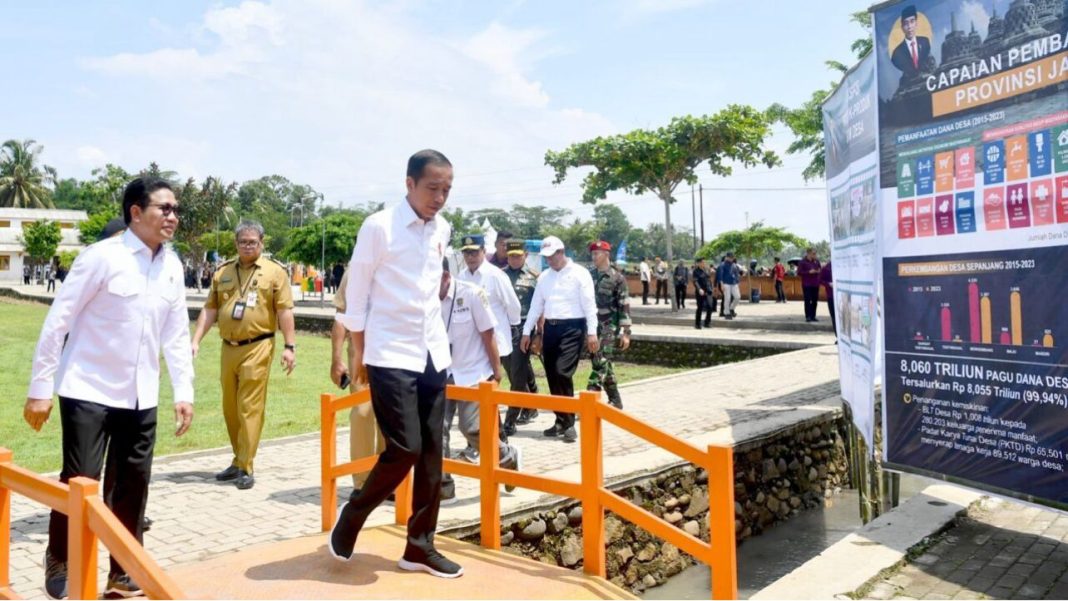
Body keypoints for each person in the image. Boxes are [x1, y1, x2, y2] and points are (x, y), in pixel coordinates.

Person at [25, 177, 195, 599]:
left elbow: (175, 334)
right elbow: (58, 322)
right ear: (136, 212)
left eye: (176, 209)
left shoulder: (172, 265)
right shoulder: (101, 257)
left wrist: (184, 392)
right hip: (88, 387)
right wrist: (40, 387)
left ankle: (123, 570)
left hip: (142, 392)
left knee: (133, 483)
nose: (172, 216)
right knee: (80, 479)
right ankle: (61, 555)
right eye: (164, 208)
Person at [330, 149, 461, 578]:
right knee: (405, 447)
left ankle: (420, 546)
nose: (439, 197)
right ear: (409, 183)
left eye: (446, 189)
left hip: (432, 351)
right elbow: (359, 295)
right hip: (389, 352)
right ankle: (354, 513)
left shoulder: (442, 228)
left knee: (432, 456)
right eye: (432, 188)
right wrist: (359, 352)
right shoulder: (379, 227)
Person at [190, 220, 297, 490]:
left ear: (262, 243)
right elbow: (210, 309)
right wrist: (195, 340)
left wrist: (289, 346)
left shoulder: (274, 273)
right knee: (230, 406)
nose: (247, 246)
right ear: (236, 244)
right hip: (228, 347)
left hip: (258, 346)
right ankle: (238, 460)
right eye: (243, 241)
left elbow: (284, 311)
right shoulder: (223, 272)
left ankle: (247, 466)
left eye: (253, 241)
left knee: (249, 406)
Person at [438, 259, 522, 502]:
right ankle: (443, 486)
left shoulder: (472, 294)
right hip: (443, 372)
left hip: (474, 372)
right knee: (436, 429)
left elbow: (489, 334)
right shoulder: (425, 299)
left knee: (471, 427)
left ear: (445, 277)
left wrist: (496, 371)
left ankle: (506, 456)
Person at [520, 236, 598, 444]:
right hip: (550, 328)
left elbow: (590, 305)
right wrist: (527, 332)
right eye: (546, 257)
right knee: (552, 374)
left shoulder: (580, 274)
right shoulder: (544, 277)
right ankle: (560, 419)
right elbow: (536, 306)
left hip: (573, 327)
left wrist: (592, 332)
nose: (550, 261)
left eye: (553, 256)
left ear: (561, 252)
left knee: (563, 371)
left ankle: (569, 422)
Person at [454, 233, 520, 462]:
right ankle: (493, 446)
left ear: (484, 251)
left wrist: (510, 332)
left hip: (494, 344)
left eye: (474, 251)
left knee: (484, 397)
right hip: (471, 347)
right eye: (466, 252)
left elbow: (513, 307)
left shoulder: (495, 276)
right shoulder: (460, 278)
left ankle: (493, 446)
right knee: (478, 399)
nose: (470, 256)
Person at [330, 267, 385, 493]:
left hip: (394, 352)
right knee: (362, 412)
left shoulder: (402, 264)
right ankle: (362, 481)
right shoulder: (355, 271)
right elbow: (341, 317)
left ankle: (386, 480)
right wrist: (336, 359)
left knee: (389, 417)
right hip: (360, 352)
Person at [501, 239, 540, 436]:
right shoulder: (499, 276)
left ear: (525, 255)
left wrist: (538, 334)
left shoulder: (534, 277)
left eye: (518, 255)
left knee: (517, 374)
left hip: (524, 329)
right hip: (504, 329)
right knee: (511, 369)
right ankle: (530, 406)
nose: (514, 259)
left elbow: (541, 307)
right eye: (511, 256)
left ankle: (510, 420)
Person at [586, 241, 631, 409]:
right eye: (592, 254)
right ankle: (615, 399)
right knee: (601, 362)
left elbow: (624, 305)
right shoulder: (589, 276)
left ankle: (589, 399)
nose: (594, 257)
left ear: (606, 254)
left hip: (609, 326)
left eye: (597, 253)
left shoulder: (617, 278)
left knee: (601, 362)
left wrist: (626, 332)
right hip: (592, 327)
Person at [890, 6, 930, 79]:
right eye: (906, 23)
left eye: (912, 21)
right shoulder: (897, 53)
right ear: (902, 27)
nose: (909, 27)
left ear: (916, 23)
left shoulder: (925, 42)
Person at [798, 248, 822, 323]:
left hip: (815, 283)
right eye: (813, 253)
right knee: (807, 300)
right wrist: (808, 272)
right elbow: (799, 272)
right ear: (808, 253)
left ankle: (813, 316)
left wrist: (818, 271)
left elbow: (820, 269)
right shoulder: (802, 262)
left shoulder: (817, 261)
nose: (815, 255)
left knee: (815, 300)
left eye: (815, 253)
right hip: (807, 284)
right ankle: (808, 316)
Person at [717, 253, 741, 320]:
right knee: (727, 298)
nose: (731, 259)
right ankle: (726, 313)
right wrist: (721, 284)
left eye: (732, 257)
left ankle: (731, 308)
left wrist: (738, 282)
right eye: (730, 257)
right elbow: (720, 275)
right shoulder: (722, 265)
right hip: (726, 283)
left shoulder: (734, 265)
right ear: (726, 257)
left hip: (734, 283)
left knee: (737, 297)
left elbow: (737, 274)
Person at [692, 257, 715, 329]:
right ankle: (697, 324)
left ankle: (707, 322)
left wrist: (712, 288)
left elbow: (709, 280)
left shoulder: (707, 270)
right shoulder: (695, 271)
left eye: (704, 262)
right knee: (700, 307)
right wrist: (699, 289)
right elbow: (695, 281)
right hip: (700, 292)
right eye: (702, 262)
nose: (703, 263)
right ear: (698, 263)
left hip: (708, 291)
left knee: (710, 306)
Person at [821, 261, 837, 339]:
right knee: (834, 316)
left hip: (844, 296)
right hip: (831, 295)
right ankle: (838, 336)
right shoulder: (826, 268)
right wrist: (828, 284)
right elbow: (820, 280)